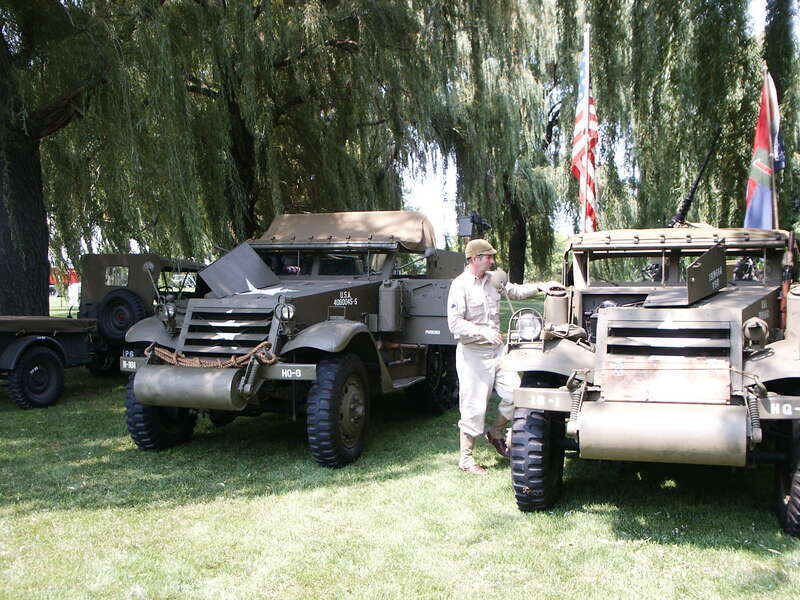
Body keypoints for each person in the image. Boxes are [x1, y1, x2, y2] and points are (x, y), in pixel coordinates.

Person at [446, 239, 562, 476]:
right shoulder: (459, 286)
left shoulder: (494, 279)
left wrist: (541, 286)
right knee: (473, 407)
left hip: (499, 352)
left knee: (517, 395)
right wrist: (482, 331)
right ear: (475, 259)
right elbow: (454, 323)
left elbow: (515, 290)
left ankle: (496, 432)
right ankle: (466, 459)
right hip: (473, 354)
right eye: (487, 257)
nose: (492, 260)